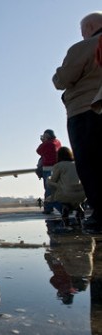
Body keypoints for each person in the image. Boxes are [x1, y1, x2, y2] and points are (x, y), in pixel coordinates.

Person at [53, 12, 102, 233]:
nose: (81, 35)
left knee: (89, 163)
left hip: (86, 110)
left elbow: (62, 80)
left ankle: (99, 215)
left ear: (90, 27)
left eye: (82, 31)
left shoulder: (85, 46)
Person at [47, 147, 86, 224]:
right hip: (82, 194)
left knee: (49, 182)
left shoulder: (58, 165)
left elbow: (53, 180)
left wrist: (49, 178)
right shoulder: (77, 164)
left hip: (66, 193)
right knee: (73, 191)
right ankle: (78, 206)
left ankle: (66, 206)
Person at [36, 129, 62, 214]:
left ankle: (48, 207)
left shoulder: (48, 144)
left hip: (48, 168)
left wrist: (44, 142)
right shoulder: (57, 142)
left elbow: (38, 150)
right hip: (57, 168)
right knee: (56, 188)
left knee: (48, 188)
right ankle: (61, 205)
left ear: (47, 136)